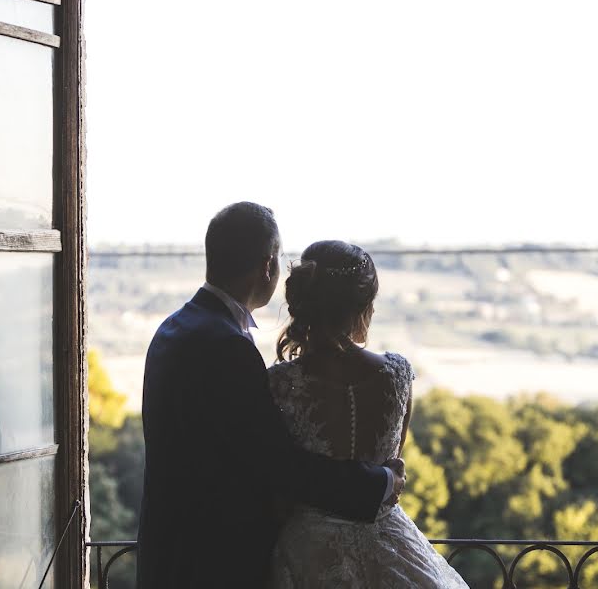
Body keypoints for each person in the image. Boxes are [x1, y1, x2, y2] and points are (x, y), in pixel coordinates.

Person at [136, 203, 405, 588]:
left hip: (171, 551)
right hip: (212, 563)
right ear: (267, 266)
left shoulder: (176, 327)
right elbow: (276, 464)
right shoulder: (227, 346)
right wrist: (377, 482)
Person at [267, 240, 469, 588]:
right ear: (364, 306)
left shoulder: (279, 383)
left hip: (308, 552)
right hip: (389, 547)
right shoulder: (397, 374)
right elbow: (394, 469)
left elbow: (278, 481)